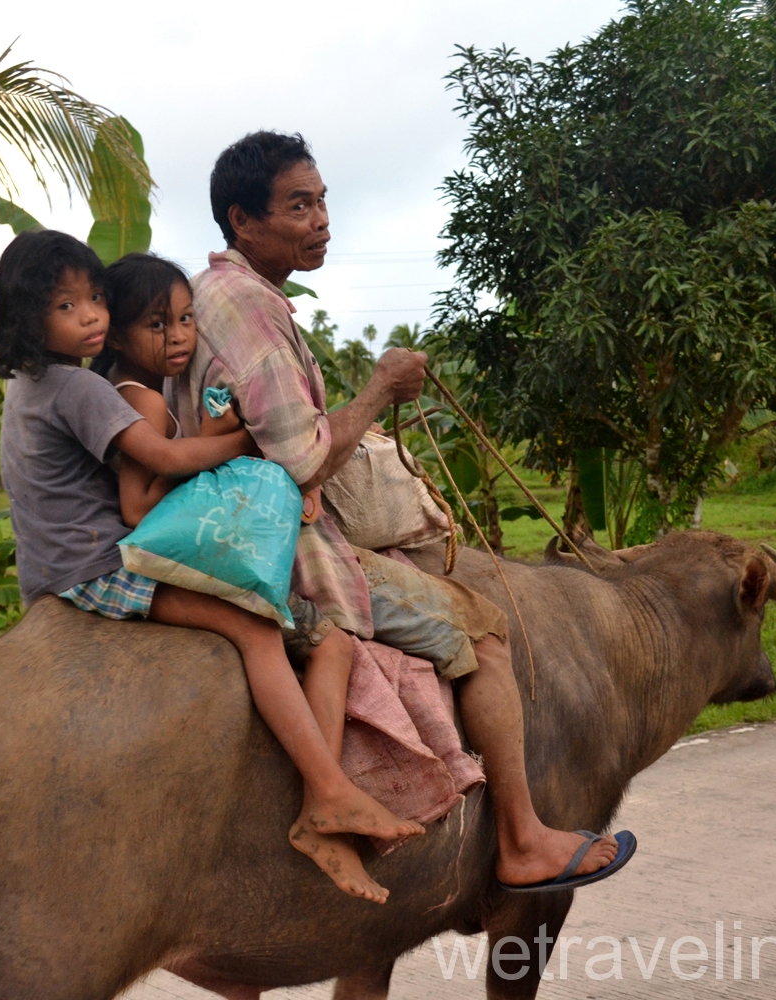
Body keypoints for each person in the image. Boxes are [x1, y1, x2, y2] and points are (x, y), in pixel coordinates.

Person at [173, 131, 627, 890]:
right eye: (298, 205)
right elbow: (303, 457)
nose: (321, 220)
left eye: (321, 202)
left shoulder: (211, 294)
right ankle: (519, 837)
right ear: (242, 220)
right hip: (281, 547)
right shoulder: (250, 309)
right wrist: (381, 388)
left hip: (217, 526)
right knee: (478, 629)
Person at [0, 231, 422, 903]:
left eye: (95, 298)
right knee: (254, 627)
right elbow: (154, 471)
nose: (91, 316)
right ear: (26, 317)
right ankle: (329, 792)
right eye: (67, 306)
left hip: (51, 566)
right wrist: (252, 439)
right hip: (95, 566)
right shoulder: (82, 388)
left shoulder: (31, 385)